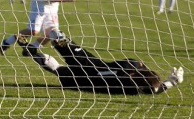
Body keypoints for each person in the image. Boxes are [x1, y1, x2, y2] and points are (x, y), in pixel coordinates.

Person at [0, 0, 109, 73]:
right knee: (33, 31)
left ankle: (32, 48)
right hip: (41, 4)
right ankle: (7, 42)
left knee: (52, 34)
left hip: (53, 7)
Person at [49, 36, 184, 95]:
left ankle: (47, 37)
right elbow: (156, 90)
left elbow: (155, 89)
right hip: (93, 71)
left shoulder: (133, 66)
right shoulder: (132, 86)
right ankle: (47, 38)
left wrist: (172, 81)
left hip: (92, 68)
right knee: (62, 60)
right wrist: (173, 81)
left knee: (64, 49)